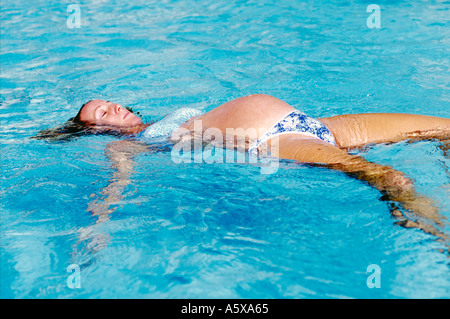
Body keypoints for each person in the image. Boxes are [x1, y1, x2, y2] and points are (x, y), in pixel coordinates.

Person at [35, 94, 450, 244]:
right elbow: (117, 182)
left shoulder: (161, 120)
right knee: (391, 178)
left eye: (111, 100)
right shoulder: (129, 146)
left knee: (444, 128)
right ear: (94, 131)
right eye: (101, 112)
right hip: (279, 140)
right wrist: (100, 222)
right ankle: (432, 232)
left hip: (318, 125)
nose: (114, 107)